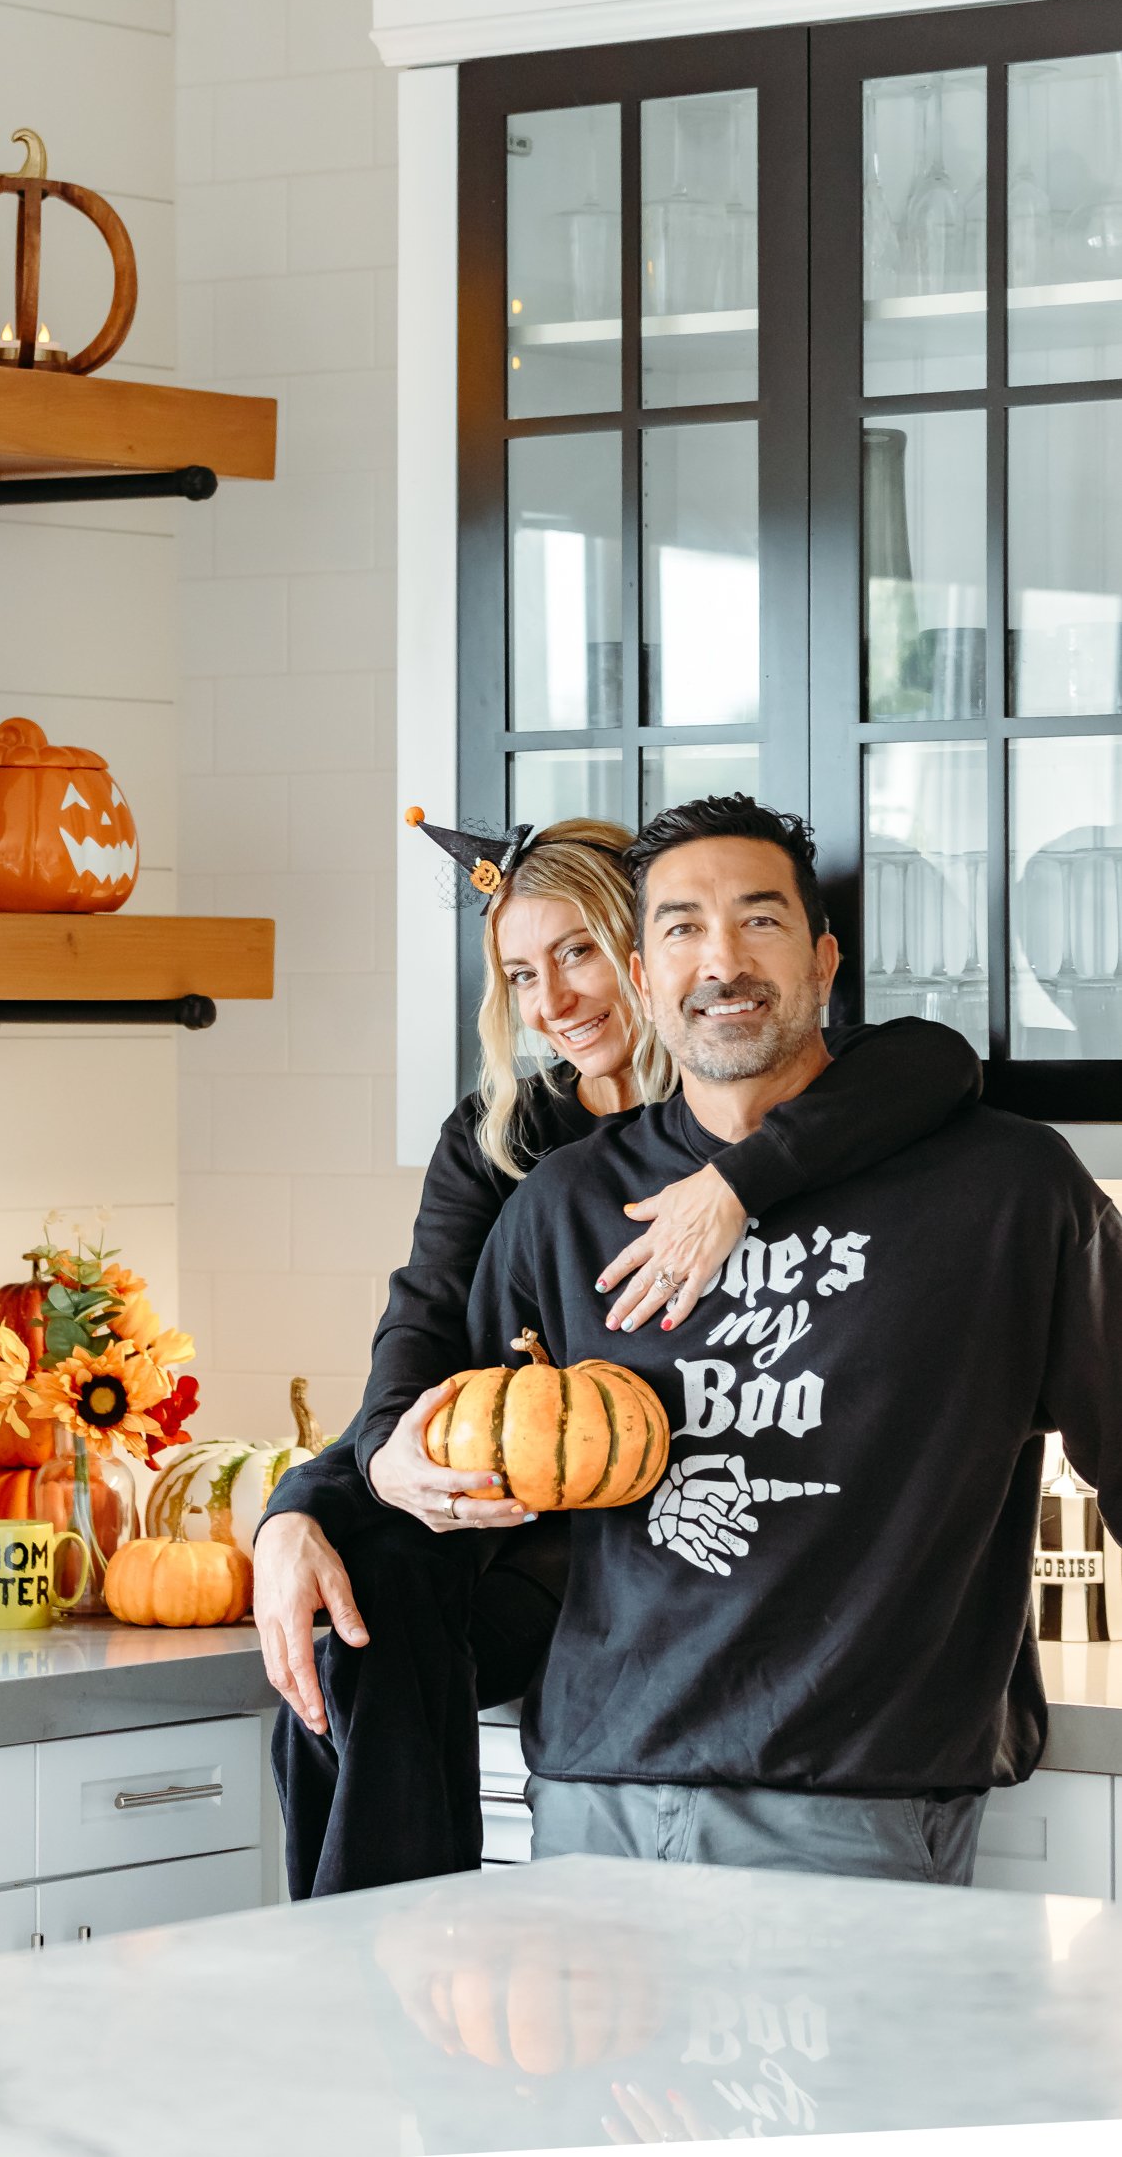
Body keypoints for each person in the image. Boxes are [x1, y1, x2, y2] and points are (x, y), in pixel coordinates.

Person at [256, 811, 983, 1897]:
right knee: (356, 1612)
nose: (551, 1001)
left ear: (634, 959)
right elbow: (418, 1350)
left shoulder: (769, 1080)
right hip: (526, 1527)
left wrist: (737, 1183)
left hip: (626, 1575)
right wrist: (299, 1506)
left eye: (576, 952)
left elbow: (938, 1060)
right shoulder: (503, 1141)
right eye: (519, 974)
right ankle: (384, 1938)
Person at [464, 792, 1122, 1884]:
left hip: (857, 1799)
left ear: (823, 960)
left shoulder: (1007, 1190)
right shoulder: (564, 1204)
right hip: (594, 1793)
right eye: (679, 927)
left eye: (758, 920)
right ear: (641, 974)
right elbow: (466, 1446)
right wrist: (319, 1517)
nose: (720, 961)